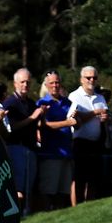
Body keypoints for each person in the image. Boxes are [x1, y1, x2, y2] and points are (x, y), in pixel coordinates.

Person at [2, 68, 46, 214]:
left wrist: (41, 115)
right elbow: (12, 128)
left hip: (30, 148)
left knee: (29, 185)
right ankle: (16, 215)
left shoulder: (31, 103)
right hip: (16, 147)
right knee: (18, 185)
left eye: (28, 82)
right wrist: (32, 117)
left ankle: (27, 213)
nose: (25, 85)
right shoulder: (10, 103)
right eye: (22, 82)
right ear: (15, 83)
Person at [36, 70, 77, 211]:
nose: (55, 85)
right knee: (49, 190)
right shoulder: (42, 103)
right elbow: (44, 125)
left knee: (63, 191)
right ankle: (47, 217)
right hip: (51, 153)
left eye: (57, 82)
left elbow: (75, 122)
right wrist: (67, 123)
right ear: (46, 85)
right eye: (52, 83)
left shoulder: (68, 102)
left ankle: (58, 218)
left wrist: (78, 120)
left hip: (66, 152)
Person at [67, 66, 108, 204]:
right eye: (88, 77)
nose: (92, 80)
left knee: (93, 178)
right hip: (80, 142)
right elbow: (74, 120)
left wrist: (104, 119)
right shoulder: (74, 96)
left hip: (96, 142)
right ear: (81, 79)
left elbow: (104, 118)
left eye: (94, 77)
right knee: (79, 178)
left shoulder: (100, 97)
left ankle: (89, 207)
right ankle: (76, 207)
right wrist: (95, 113)